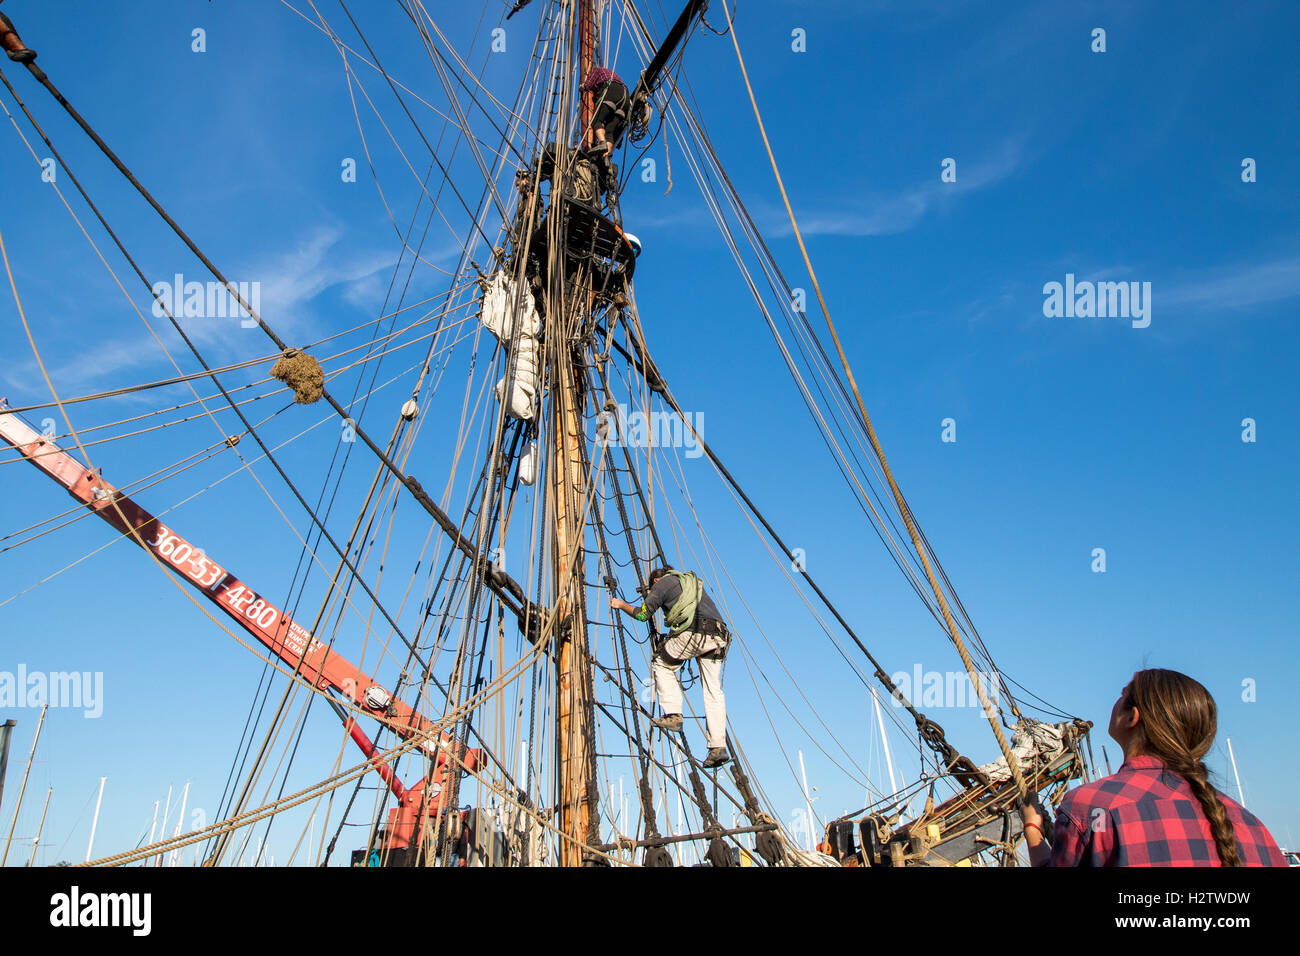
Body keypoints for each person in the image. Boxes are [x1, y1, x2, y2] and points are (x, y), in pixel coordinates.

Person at [1021, 669, 1286, 866]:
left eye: (1122, 694)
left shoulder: (1090, 806)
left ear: (1131, 717)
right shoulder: (1252, 826)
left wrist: (1032, 829)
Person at [610, 566, 732, 768]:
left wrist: (620, 604)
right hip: (718, 635)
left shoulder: (663, 584)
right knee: (713, 691)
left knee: (662, 662)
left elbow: (642, 614)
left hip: (695, 633)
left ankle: (673, 714)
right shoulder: (688, 583)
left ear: (655, 582)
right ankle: (718, 746)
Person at [580, 66, 630, 157]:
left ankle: (602, 142)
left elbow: (588, 85)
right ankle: (606, 156)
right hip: (625, 96)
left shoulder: (597, 70)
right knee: (609, 131)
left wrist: (582, 86)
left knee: (596, 120)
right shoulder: (613, 74)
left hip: (612, 90)